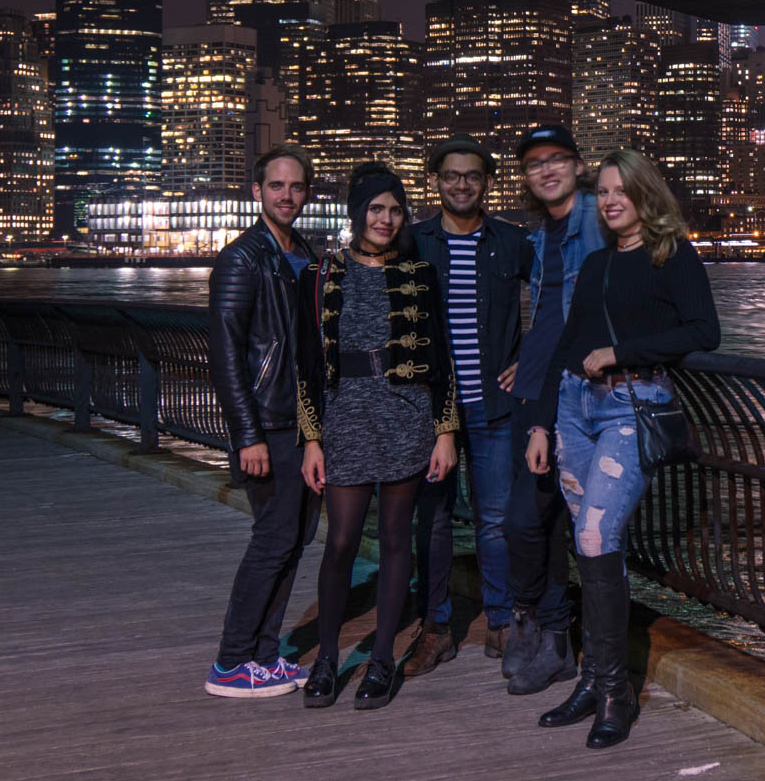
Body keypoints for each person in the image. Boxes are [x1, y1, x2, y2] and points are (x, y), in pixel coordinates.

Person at [527, 148, 720, 748]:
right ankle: (594, 679)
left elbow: (703, 332)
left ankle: (615, 692)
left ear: (644, 195)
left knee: (593, 535)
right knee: (589, 541)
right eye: (603, 192)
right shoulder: (596, 265)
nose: (610, 201)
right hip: (573, 411)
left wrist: (622, 352)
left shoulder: (672, 256)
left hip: (629, 410)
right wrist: (539, 424)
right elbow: (565, 347)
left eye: (621, 191)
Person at [298, 163, 459, 711]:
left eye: (395, 210)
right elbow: (305, 366)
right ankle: (325, 658)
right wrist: (312, 439)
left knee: (396, 540)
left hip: (407, 415)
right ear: (357, 213)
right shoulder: (321, 275)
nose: (386, 219)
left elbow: (443, 360)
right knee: (340, 542)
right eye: (376, 209)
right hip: (345, 420)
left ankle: (382, 659)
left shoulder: (421, 274)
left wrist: (445, 432)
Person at [404, 136, 531, 676]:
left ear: (487, 183)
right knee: (430, 520)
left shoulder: (513, 242)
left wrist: (531, 360)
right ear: (436, 180)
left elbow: (555, 305)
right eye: (452, 175)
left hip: (494, 408)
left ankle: (501, 621)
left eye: (472, 176)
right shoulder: (412, 242)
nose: (461, 184)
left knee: (496, 519)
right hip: (431, 412)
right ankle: (436, 628)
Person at [205, 144, 321, 698]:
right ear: (257, 192)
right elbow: (225, 354)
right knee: (273, 539)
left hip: (302, 423)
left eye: (296, 187)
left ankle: (264, 655)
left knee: (295, 539)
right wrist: (245, 434)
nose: (286, 196)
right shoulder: (241, 258)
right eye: (276, 186)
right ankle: (232, 660)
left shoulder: (302, 252)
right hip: (269, 424)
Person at [498, 124, 606, 695]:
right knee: (534, 519)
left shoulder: (599, 214)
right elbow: (547, 317)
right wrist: (525, 356)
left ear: (577, 164)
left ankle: (551, 634)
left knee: (542, 519)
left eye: (556, 158)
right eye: (534, 162)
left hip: (578, 395)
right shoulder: (539, 236)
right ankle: (541, 627)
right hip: (534, 390)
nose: (545, 169)